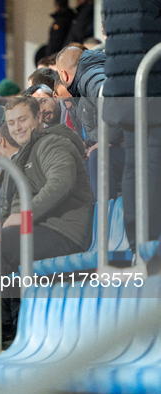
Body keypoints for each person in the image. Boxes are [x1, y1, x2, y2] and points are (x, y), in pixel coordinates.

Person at [0, 97, 92, 294]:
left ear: (38, 117)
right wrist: (3, 226)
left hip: (64, 230)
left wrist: (24, 216)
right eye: (11, 123)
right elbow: (15, 204)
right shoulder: (24, 154)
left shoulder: (53, 142)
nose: (17, 128)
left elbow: (61, 183)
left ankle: (7, 318)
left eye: (23, 120)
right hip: (41, 228)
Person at [102, 0, 161, 252]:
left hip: (122, 86)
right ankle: (152, 239)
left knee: (134, 163)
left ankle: (138, 241)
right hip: (151, 81)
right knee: (151, 161)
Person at [57, 45, 125, 201]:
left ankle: (102, 220)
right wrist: (87, 143)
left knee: (97, 158)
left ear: (64, 75)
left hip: (131, 146)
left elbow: (114, 103)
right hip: (125, 145)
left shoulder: (90, 77)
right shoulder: (84, 83)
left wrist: (106, 139)